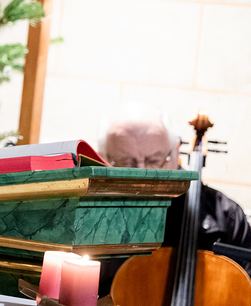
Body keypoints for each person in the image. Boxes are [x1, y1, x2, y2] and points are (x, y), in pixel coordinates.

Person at [96, 102, 251, 291]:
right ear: (101, 159)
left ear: (176, 150)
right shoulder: (85, 214)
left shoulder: (226, 217)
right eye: (126, 162)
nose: (143, 173)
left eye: (154, 160)